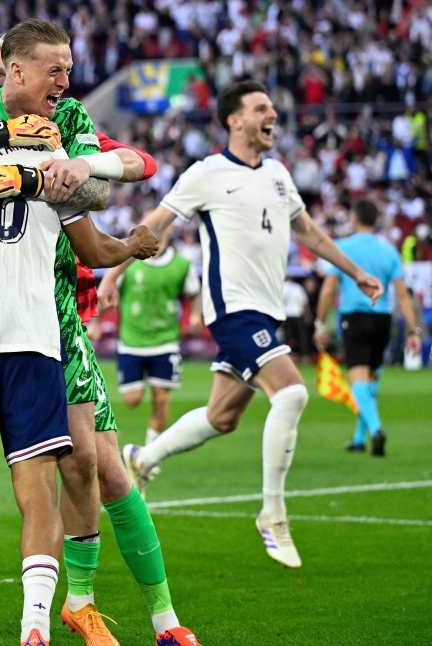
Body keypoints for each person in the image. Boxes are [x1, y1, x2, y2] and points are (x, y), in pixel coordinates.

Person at [0, 20, 189, 646]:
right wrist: (54, 177)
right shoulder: (38, 147)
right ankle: (35, 623)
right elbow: (97, 235)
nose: (64, 81)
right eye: (53, 69)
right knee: (37, 489)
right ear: (4, 79)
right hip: (36, 340)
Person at [101, 81, 382, 570]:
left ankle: (141, 459)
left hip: (266, 311)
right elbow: (157, 224)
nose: (272, 114)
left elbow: (310, 232)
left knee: (221, 417)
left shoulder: (277, 174)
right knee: (291, 393)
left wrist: (354, 272)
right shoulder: (207, 173)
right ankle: (272, 515)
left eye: (272, 107)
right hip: (233, 309)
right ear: (235, 120)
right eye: (261, 108)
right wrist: (114, 274)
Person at [313, 199, 422, 455]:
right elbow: (402, 294)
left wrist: (320, 323)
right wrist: (413, 330)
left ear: (354, 218)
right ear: (376, 220)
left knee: (358, 379)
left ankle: (376, 429)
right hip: (383, 318)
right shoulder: (389, 251)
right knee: (372, 379)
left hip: (355, 317)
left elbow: (328, 290)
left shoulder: (342, 248)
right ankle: (360, 438)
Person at [108, 238, 201, 446]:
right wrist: (96, 322)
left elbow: (195, 292)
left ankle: (150, 453)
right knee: (132, 400)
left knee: (161, 397)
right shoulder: (128, 261)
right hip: (132, 339)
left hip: (166, 340)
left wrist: (196, 314)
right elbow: (109, 289)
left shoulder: (181, 264)